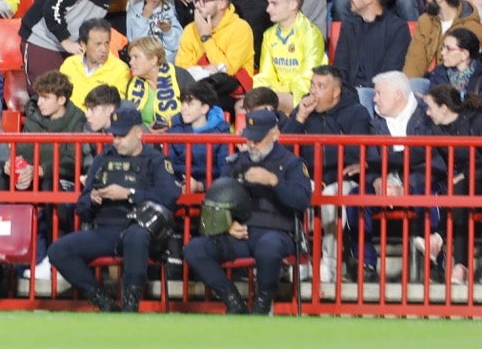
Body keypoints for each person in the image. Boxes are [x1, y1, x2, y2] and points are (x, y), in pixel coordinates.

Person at [44, 104, 181, 312]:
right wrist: (92, 198)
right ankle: (104, 303)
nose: (116, 141)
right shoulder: (103, 159)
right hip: (106, 229)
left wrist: (129, 194)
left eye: (122, 136)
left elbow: (170, 196)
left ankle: (130, 305)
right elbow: (82, 206)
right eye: (114, 136)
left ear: (138, 132)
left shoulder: (155, 160)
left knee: (136, 236)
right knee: (58, 250)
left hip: (144, 228)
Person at [182, 109, 313, 314]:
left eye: (258, 139)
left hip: (277, 231)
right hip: (240, 233)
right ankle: (234, 302)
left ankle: (262, 304)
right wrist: (227, 224)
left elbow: (301, 200)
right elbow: (217, 199)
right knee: (194, 249)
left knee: (268, 247)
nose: (251, 144)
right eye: (250, 138)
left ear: (275, 135)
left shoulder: (291, 163)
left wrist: (274, 182)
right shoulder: (237, 162)